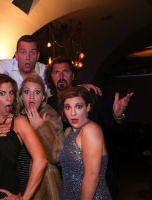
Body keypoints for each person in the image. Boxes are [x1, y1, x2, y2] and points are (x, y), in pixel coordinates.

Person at [44, 57, 134, 196]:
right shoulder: (48, 105)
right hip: (67, 187)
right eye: (56, 72)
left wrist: (116, 116)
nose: (61, 76)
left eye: (65, 71)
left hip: (96, 186)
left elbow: (112, 133)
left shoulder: (89, 96)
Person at [58, 86, 112, 199]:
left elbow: (92, 175)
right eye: (67, 107)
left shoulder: (90, 130)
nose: (72, 113)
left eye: (78, 107)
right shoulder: (68, 132)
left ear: (88, 107)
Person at [17, 74, 64, 199]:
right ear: (21, 97)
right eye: (27, 92)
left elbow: (57, 156)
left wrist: (40, 128)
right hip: (19, 184)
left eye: (37, 92)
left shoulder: (50, 116)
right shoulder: (15, 118)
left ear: (43, 97)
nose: (31, 96)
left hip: (44, 187)